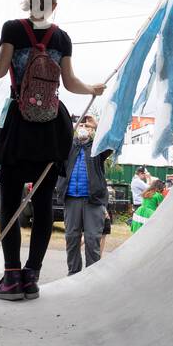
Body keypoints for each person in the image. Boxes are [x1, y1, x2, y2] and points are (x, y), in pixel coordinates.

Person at [0, 0, 107, 301]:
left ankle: (11, 277)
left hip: (18, 124)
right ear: (55, 5)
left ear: (26, 2)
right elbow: (69, 83)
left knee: (9, 202)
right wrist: (92, 89)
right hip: (51, 126)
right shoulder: (62, 38)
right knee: (42, 206)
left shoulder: (12, 28)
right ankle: (31, 277)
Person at [54, 115, 113, 275]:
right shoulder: (67, 146)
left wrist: (97, 125)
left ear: (92, 130)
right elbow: (55, 141)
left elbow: (112, 141)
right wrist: (68, 130)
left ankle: (91, 276)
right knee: (72, 238)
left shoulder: (97, 148)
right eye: (82, 125)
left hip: (93, 201)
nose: (84, 129)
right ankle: (73, 274)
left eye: (88, 127)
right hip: (71, 199)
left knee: (92, 239)